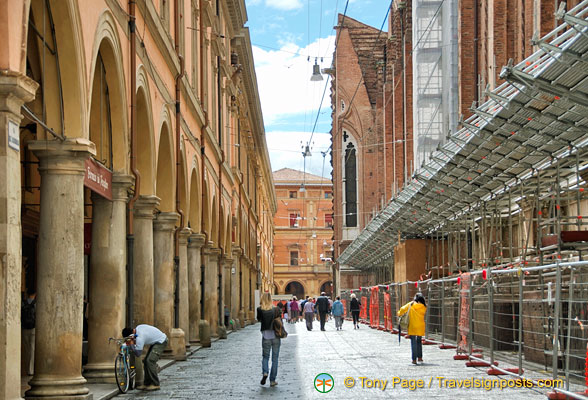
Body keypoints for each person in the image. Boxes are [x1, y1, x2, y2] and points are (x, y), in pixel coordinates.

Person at [122, 324, 168, 390]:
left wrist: (132, 344)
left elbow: (138, 354)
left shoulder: (140, 337)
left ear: (131, 335)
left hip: (161, 341)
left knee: (150, 361)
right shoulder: (138, 328)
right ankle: (147, 383)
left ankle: (155, 384)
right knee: (146, 361)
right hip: (156, 341)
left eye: (128, 339)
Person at [257, 292, 281, 387]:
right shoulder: (276, 309)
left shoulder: (259, 309)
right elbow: (279, 322)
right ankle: (272, 380)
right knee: (275, 359)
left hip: (266, 336)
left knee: (265, 357)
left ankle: (265, 372)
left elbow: (259, 319)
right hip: (276, 336)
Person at [397, 293, 427, 365]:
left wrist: (399, 313)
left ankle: (414, 359)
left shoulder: (411, 304)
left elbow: (402, 309)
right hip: (420, 326)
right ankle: (420, 357)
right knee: (419, 341)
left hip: (412, 325)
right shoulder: (424, 306)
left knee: (413, 342)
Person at [21, 290, 36, 376]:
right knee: (32, 349)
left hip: (24, 328)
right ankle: (31, 370)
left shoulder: (23, 303)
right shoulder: (36, 303)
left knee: (26, 349)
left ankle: (26, 368)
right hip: (33, 328)